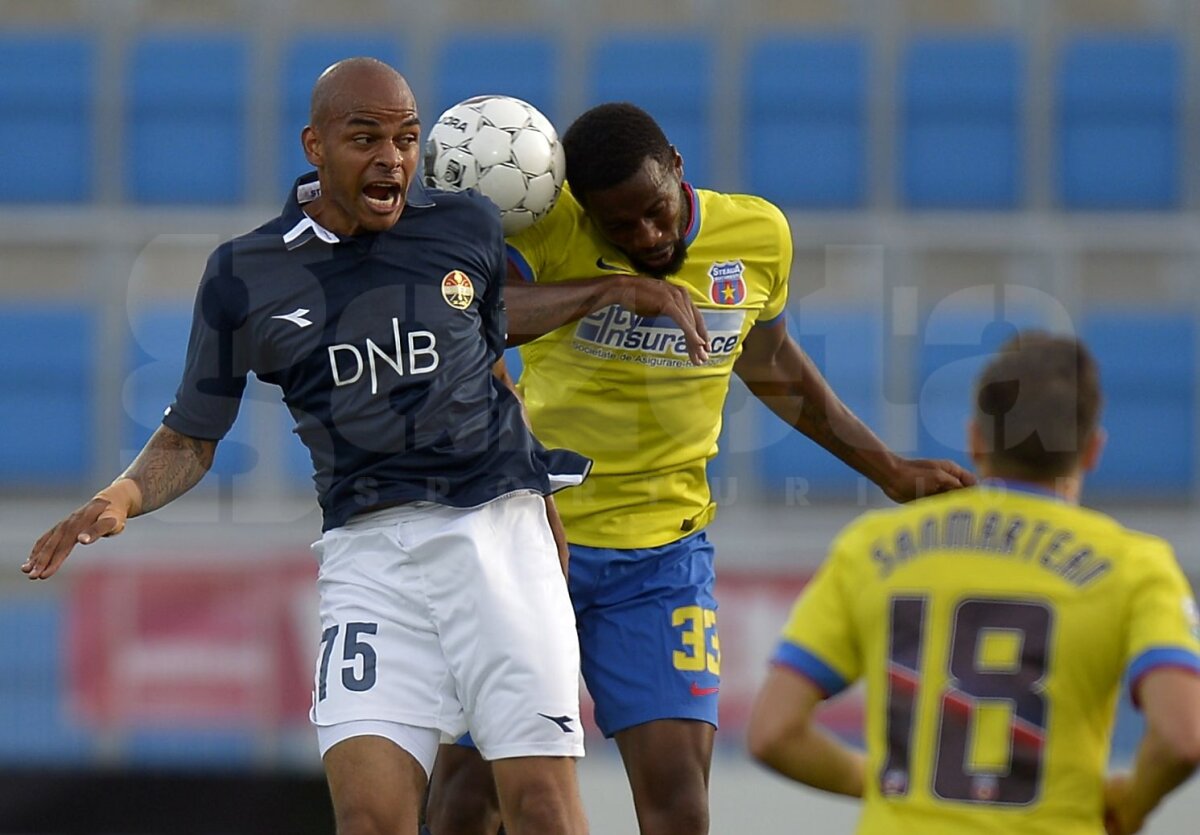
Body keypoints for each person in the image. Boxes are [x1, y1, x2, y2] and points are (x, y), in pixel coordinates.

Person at [22, 58, 592, 835]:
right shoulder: (244, 274)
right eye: (366, 139)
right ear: (315, 145)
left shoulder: (466, 226)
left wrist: (545, 515)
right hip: (367, 559)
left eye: (407, 138)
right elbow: (193, 432)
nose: (392, 158)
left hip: (495, 534)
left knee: (540, 808)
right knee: (368, 820)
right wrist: (120, 496)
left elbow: (492, 371)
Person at [424, 101, 973, 835]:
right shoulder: (555, 232)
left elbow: (770, 360)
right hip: (528, 543)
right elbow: (471, 313)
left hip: (661, 561)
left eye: (654, 211)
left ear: (677, 166)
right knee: (467, 800)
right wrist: (612, 287)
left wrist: (888, 468)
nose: (645, 236)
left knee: (680, 804)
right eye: (619, 227)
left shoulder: (757, 235)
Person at [747, 332, 1200, 835]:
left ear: (976, 440)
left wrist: (874, 781)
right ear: (1093, 450)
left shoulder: (872, 548)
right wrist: (1132, 804)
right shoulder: (1135, 567)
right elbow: (1182, 738)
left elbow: (774, 732)